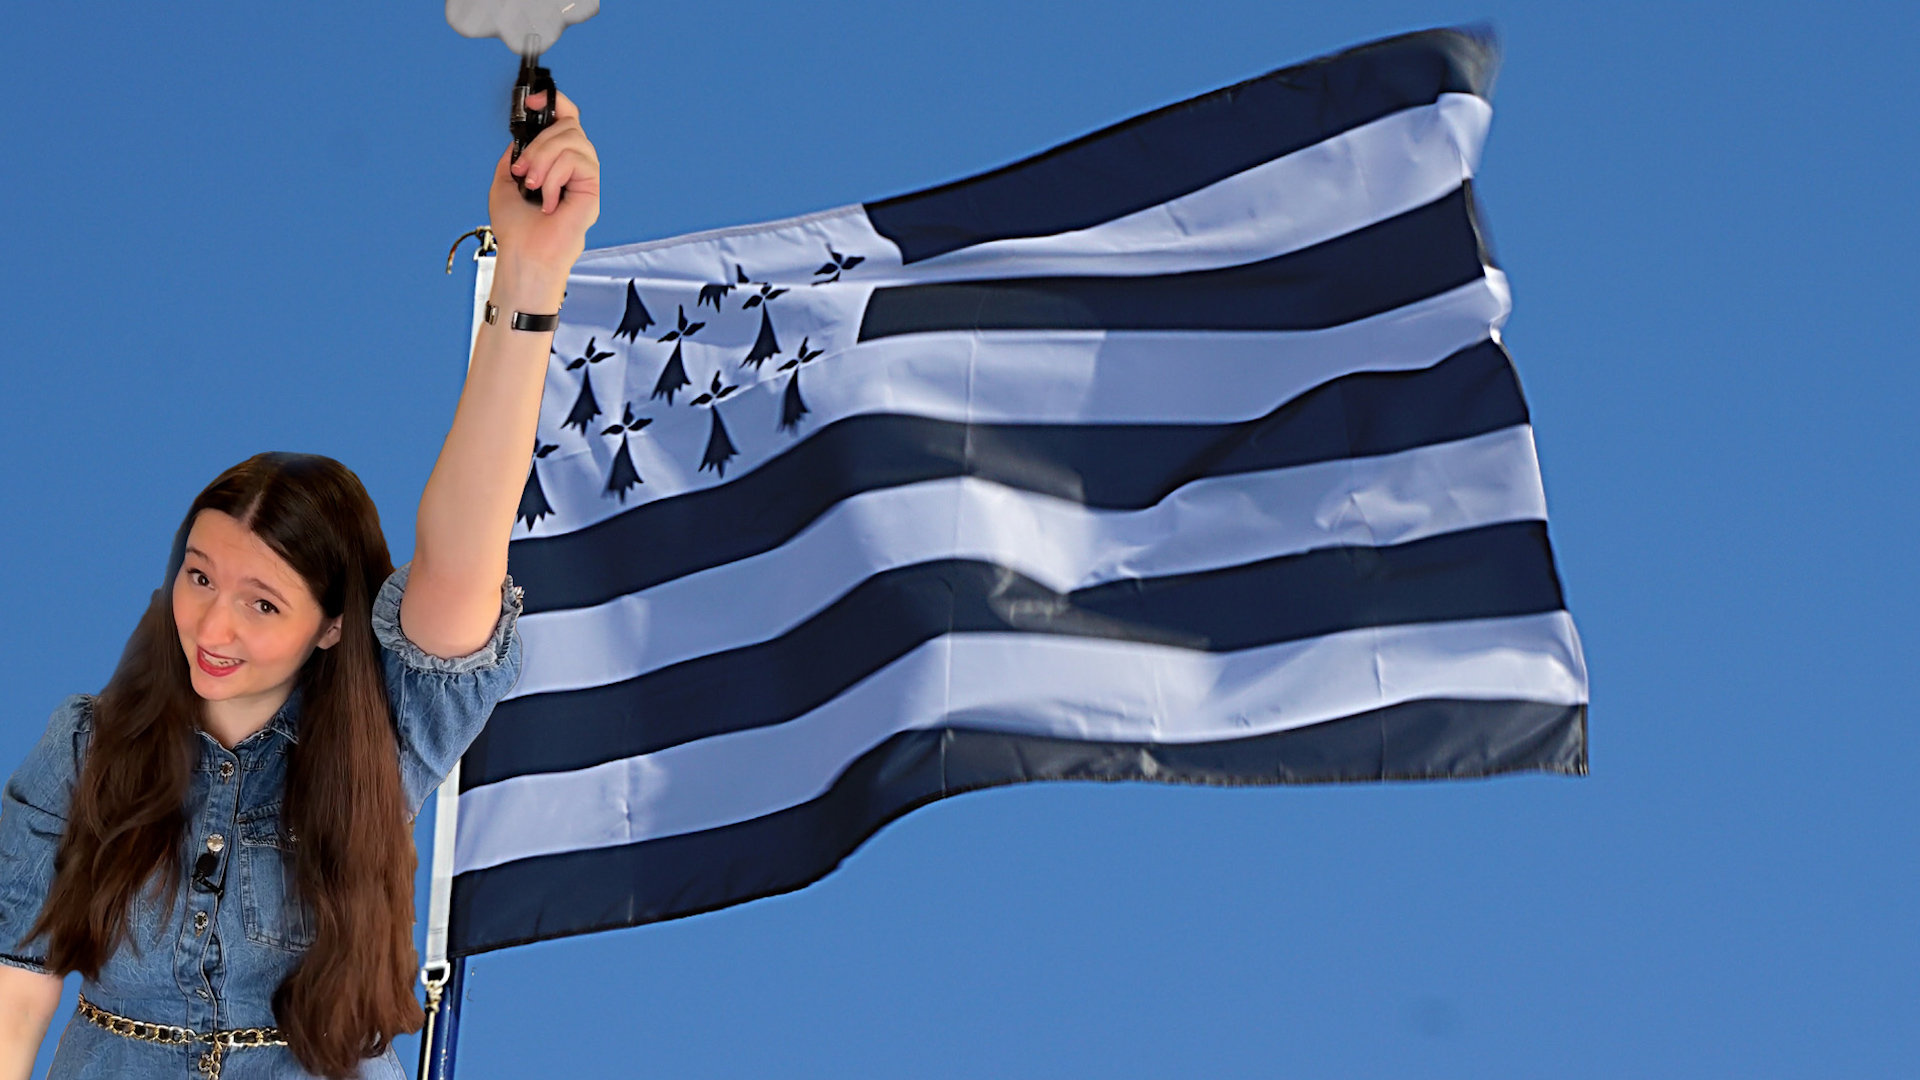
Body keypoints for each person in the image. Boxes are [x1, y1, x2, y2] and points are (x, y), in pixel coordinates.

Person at [0, 90, 600, 1080]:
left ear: (335, 625)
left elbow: (461, 556)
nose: (213, 623)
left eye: (263, 600)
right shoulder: (87, 746)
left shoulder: (382, 738)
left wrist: (531, 276)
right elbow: (16, 979)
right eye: (199, 577)